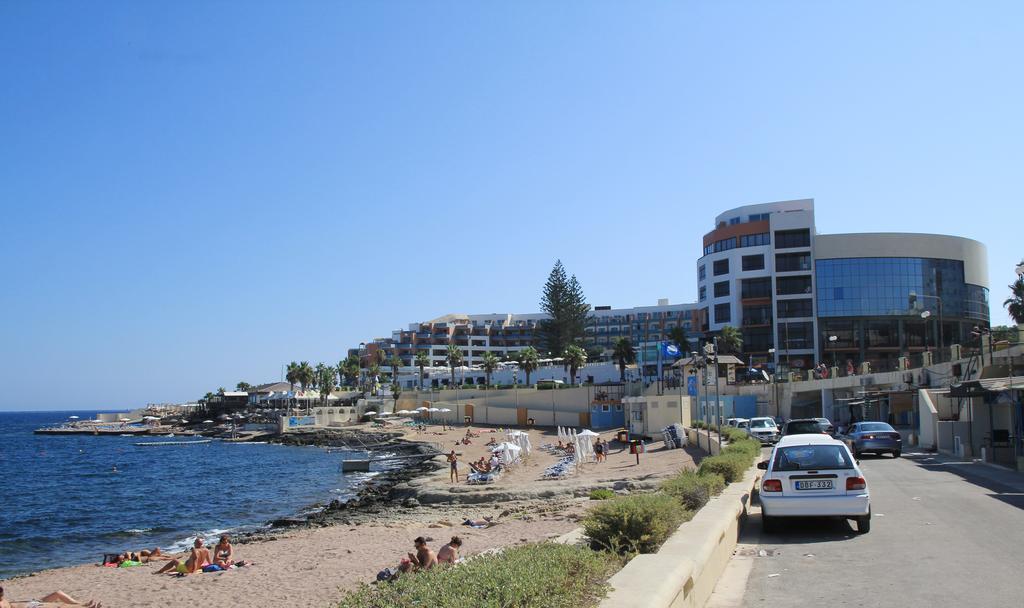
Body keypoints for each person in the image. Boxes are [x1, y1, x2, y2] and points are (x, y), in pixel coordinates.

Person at [0, 586, 102, 608]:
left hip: (32, 602)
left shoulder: (3, 599)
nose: (2, 592)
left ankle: (82, 604)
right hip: (31, 606)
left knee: (58, 593)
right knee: (60, 606)